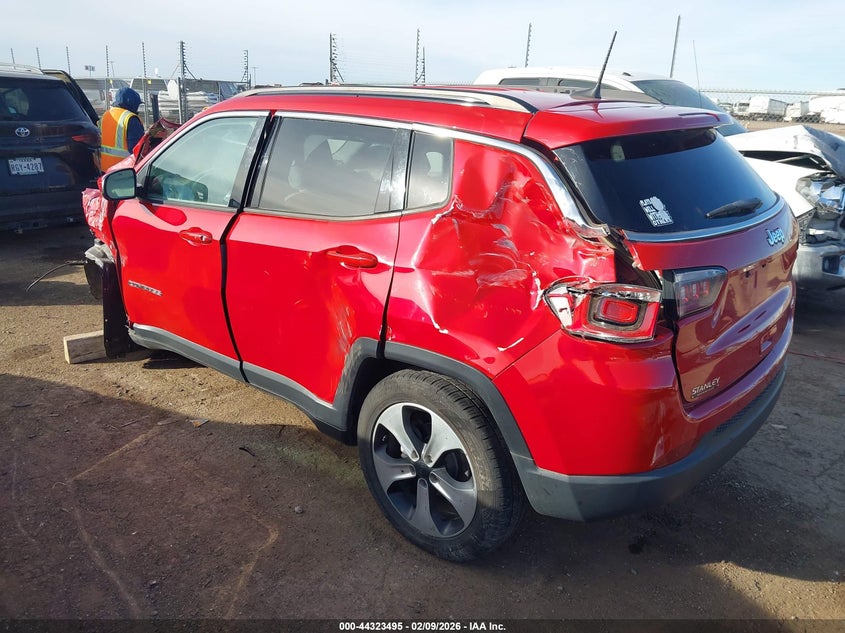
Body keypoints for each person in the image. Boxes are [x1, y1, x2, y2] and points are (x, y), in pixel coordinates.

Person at [99, 87, 144, 172]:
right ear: (132, 103)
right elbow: (137, 149)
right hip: (124, 170)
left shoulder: (106, 115)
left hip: (105, 169)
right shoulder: (130, 118)